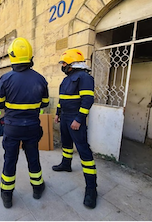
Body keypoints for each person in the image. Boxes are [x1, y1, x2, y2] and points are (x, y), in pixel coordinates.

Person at [0, 37, 49, 208]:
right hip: (32, 127)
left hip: (12, 128)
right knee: (33, 157)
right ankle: (37, 188)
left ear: (12, 56)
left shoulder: (5, 79)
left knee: (10, 159)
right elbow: (45, 103)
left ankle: (7, 195)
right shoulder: (40, 79)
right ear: (30, 56)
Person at [52, 48, 97, 209]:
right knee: (66, 143)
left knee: (83, 150)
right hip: (64, 116)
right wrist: (57, 113)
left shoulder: (84, 77)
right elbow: (62, 98)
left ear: (72, 64)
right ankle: (66, 164)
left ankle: (91, 189)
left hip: (75, 118)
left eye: (64, 63)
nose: (62, 65)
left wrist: (79, 119)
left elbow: (87, 100)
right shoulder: (67, 79)